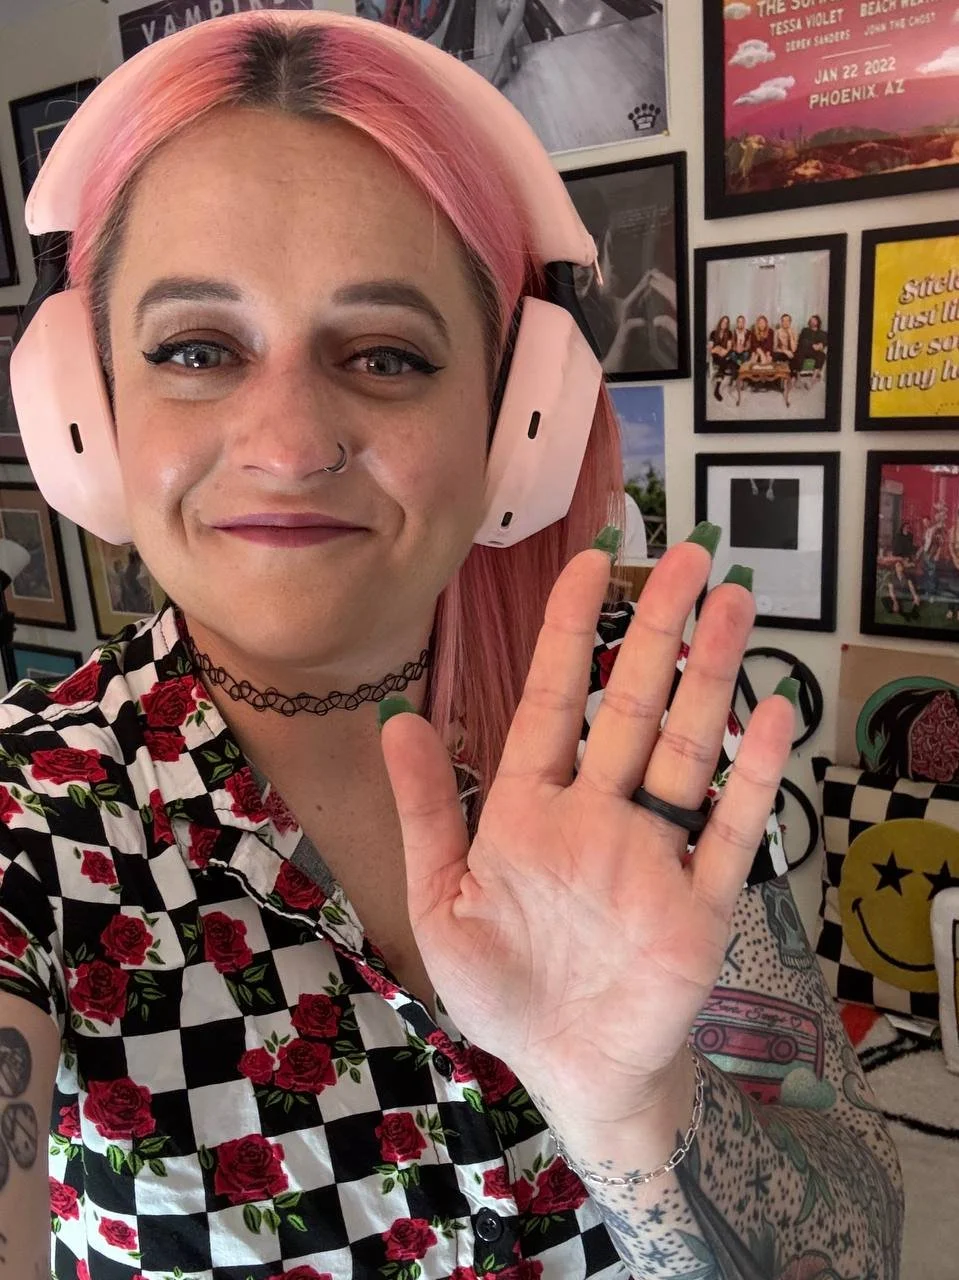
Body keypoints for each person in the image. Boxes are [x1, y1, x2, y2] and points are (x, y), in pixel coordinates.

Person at [2, 12, 901, 1280]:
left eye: (385, 354)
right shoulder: (32, 807)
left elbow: (857, 1246)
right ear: (84, 412)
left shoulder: (631, 719)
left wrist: (632, 1109)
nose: (289, 444)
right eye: (197, 350)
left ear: (514, 420)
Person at [793, 313, 827, 380]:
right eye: (811, 320)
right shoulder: (805, 330)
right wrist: (812, 344)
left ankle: (813, 377)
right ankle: (798, 376)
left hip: (814, 352)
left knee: (822, 355)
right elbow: (801, 340)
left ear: (818, 322)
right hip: (804, 350)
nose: (812, 322)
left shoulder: (822, 333)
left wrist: (821, 345)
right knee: (800, 351)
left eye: (814, 320)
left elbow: (825, 341)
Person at [707, 314, 732, 401]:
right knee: (723, 360)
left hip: (725, 353)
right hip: (716, 355)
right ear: (720, 322)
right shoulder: (713, 333)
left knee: (725, 358)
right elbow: (711, 348)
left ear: (727, 325)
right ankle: (717, 389)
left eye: (726, 322)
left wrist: (724, 351)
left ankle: (717, 388)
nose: (724, 324)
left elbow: (729, 347)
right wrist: (717, 349)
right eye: (723, 322)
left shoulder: (729, 333)